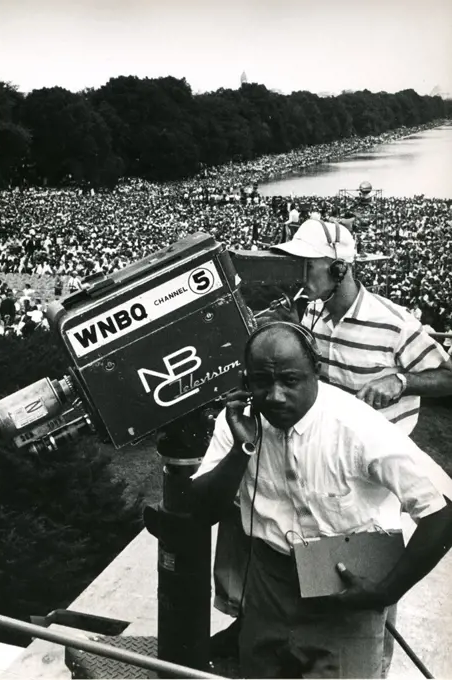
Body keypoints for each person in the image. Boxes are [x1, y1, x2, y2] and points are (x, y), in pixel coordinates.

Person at [192, 323, 452, 678]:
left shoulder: (357, 427)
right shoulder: (238, 421)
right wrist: (242, 448)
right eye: (261, 382)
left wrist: (386, 590)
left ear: (316, 372)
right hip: (270, 579)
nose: (276, 396)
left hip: (347, 582)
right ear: (246, 381)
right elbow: (203, 510)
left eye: (290, 380)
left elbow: (443, 510)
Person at [271, 219, 452, 436]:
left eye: (307, 266)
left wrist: (400, 382)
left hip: (381, 453)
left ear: (338, 269)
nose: (299, 276)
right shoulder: (311, 312)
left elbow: (448, 376)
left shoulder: (395, 323)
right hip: (331, 445)